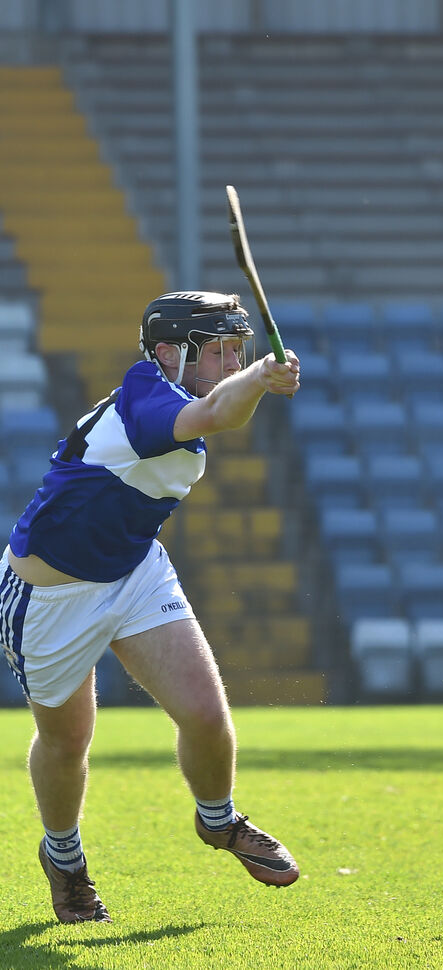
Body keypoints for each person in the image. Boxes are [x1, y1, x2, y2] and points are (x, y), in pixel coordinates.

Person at [0, 291, 302, 924]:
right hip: (49, 596)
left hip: (135, 571)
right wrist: (259, 376)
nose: (230, 363)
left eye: (237, 351)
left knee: (206, 714)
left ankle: (218, 820)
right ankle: (64, 857)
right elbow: (218, 413)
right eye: (218, 351)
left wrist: (255, 378)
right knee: (67, 741)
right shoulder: (146, 394)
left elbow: (223, 406)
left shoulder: (183, 395)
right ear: (168, 353)